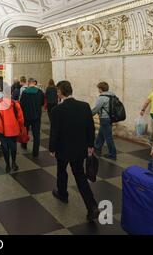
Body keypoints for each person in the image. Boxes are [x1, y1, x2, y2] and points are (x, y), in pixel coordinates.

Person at [49, 81, 99, 222]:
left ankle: (63, 194)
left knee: (61, 170)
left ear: (60, 92)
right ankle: (92, 206)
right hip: (79, 148)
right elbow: (90, 127)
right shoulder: (84, 106)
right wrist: (90, 145)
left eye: (57, 91)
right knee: (80, 176)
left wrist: (52, 148)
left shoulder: (57, 110)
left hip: (62, 149)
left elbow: (55, 132)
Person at [0, 92, 25, 173]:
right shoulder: (15, 104)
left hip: (2, 128)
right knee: (13, 146)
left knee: (4, 147)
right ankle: (13, 163)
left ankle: (7, 166)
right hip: (14, 128)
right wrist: (21, 127)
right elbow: (21, 118)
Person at [92, 82, 118, 160]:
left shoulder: (102, 97)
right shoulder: (113, 95)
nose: (98, 90)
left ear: (100, 89)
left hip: (104, 118)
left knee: (108, 137)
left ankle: (112, 154)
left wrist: (88, 114)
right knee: (101, 133)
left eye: (98, 88)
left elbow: (96, 108)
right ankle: (97, 147)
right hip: (111, 117)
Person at [20, 78, 45, 156]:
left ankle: (24, 145)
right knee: (36, 134)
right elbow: (42, 103)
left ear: (28, 83)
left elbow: (21, 105)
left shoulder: (24, 92)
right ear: (34, 83)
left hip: (26, 116)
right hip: (36, 116)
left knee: (25, 131)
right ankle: (35, 152)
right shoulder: (40, 92)